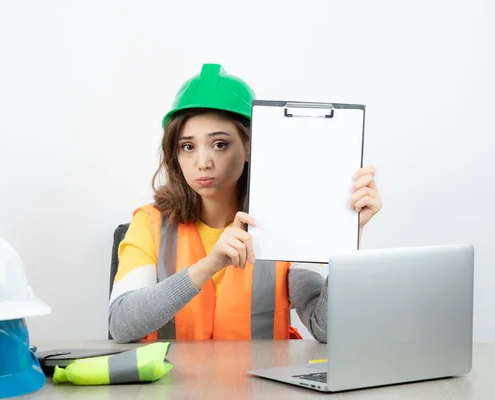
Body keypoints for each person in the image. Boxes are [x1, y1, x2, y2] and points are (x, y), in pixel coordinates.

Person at [108, 63, 382, 344]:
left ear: (250, 145)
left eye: (220, 144)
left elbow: (324, 328)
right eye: (187, 147)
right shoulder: (150, 223)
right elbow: (121, 325)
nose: (203, 162)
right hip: (170, 385)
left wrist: (347, 233)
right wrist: (210, 264)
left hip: (262, 385)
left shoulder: (289, 222)